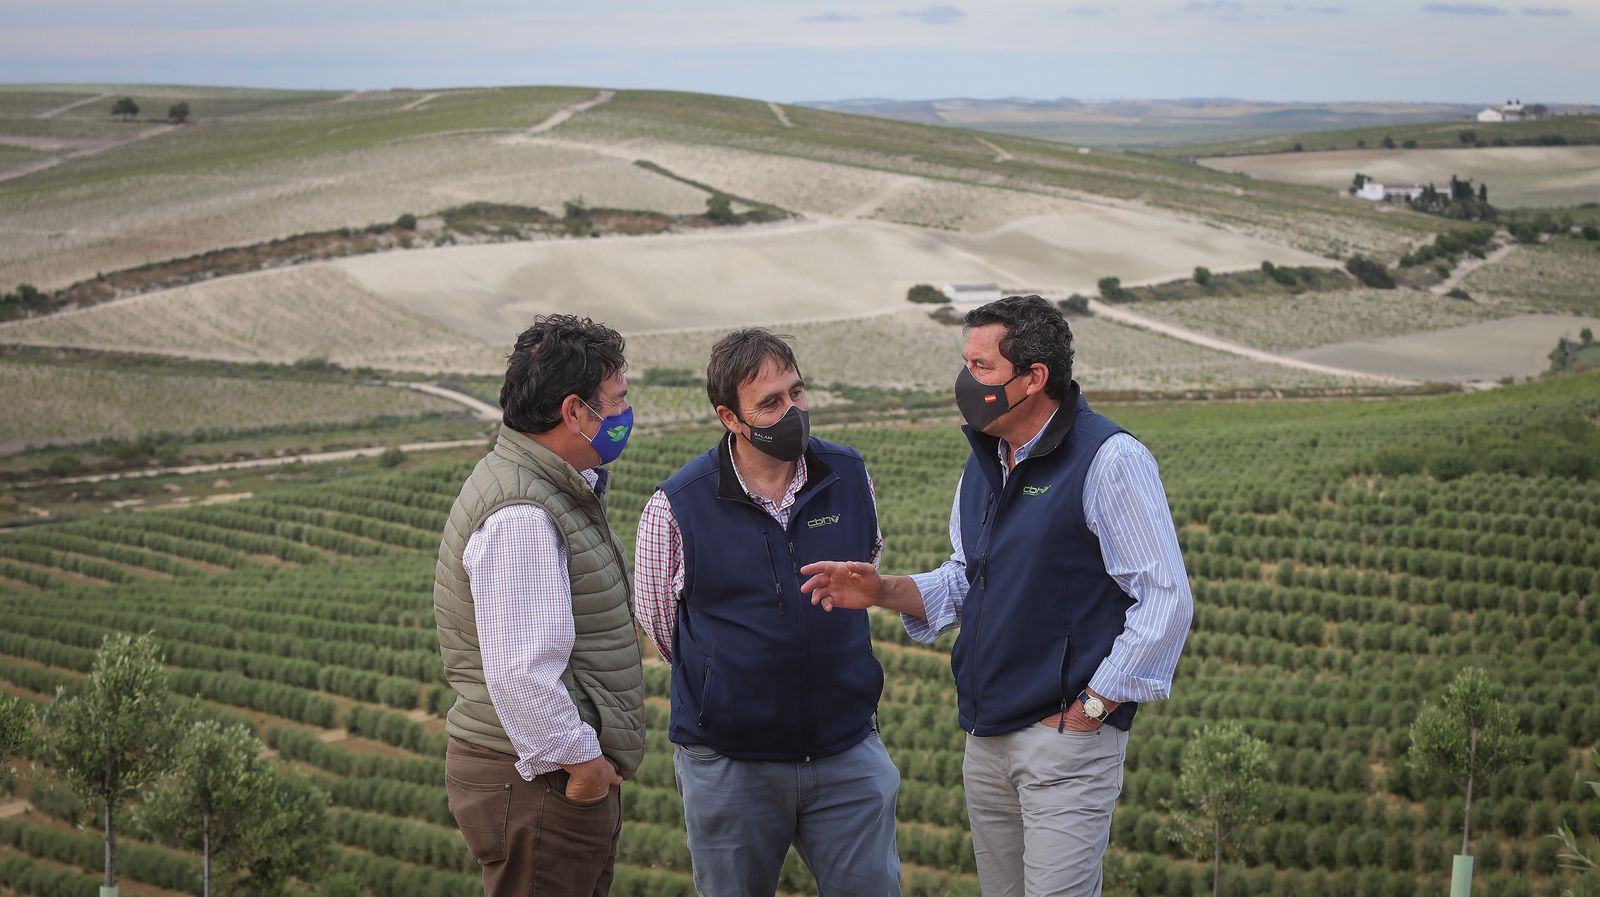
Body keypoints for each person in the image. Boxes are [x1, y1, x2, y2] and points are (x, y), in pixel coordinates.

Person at [801, 295, 1193, 897]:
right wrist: (883, 591)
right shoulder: (986, 463)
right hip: (986, 738)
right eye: (966, 364)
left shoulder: (1109, 459)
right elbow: (968, 578)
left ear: (1034, 378)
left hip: (1065, 741)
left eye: (981, 367)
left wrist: (1093, 707)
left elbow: (1165, 598)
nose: (966, 381)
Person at [634, 328, 902, 897]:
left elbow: (867, 569)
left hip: (847, 752)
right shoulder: (676, 506)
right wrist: (726, 681)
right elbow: (661, 625)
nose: (792, 411)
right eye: (771, 402)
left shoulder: (848, 474)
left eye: (797, 392)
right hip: (732, 766)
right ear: (730, 417)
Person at [434, 314, 644, 897]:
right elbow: (520, 672)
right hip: (540, 780)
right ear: (575, 412)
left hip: (544, 778)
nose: (627, 414)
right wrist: (583, 768)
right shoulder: (522, 514)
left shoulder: (540, 484)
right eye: (618, 401)